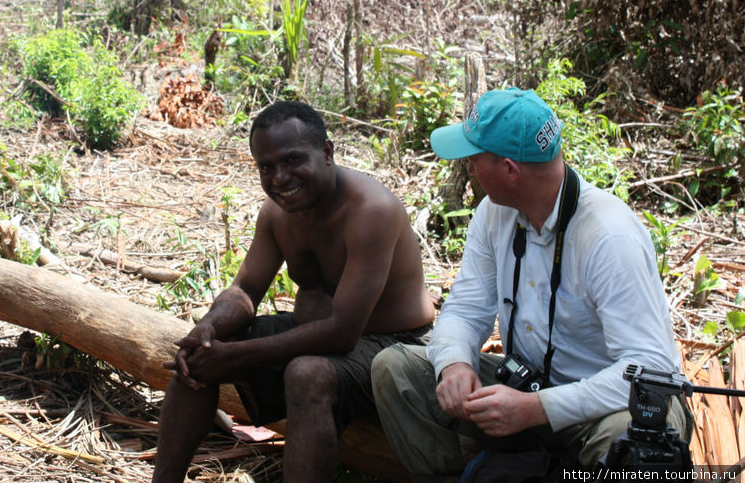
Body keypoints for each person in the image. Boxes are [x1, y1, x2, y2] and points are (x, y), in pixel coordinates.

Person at [371, 88, 692, 480]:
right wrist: (454, 363)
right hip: (525, 387)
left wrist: (538, 409)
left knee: (632, 442)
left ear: (509, 170)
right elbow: (467, 307)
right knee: (396, 369)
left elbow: (651, 370)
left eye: (473, 160)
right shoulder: (494, 213)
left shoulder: (609, 236)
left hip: (607, 405)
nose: (468, 169)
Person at [153, 100, 436, 483]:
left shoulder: (371, 209)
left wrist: (234, 354)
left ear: (327, 152)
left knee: (307, 374)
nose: (280, 178)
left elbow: (343, 330)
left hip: (395, 346)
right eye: (266, 167)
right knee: (196, 356)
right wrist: (208, 330)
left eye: (291, 161)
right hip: (321, 334)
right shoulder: (277, 214)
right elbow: (246, 289)